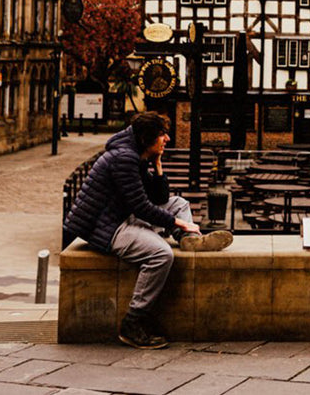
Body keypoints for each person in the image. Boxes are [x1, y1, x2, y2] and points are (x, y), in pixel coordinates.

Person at [63, 111, 232, 349]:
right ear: (147, 137)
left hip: (122, 216)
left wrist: (157, 164)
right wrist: (177, 222)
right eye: (162, 134)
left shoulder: (137, 156)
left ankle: (188, 240)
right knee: (161, 255)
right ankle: (133, 323)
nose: (167, 139)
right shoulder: (124, 158)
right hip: (106, 226)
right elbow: (140, 206)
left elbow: (159, 197)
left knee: (179, 203)